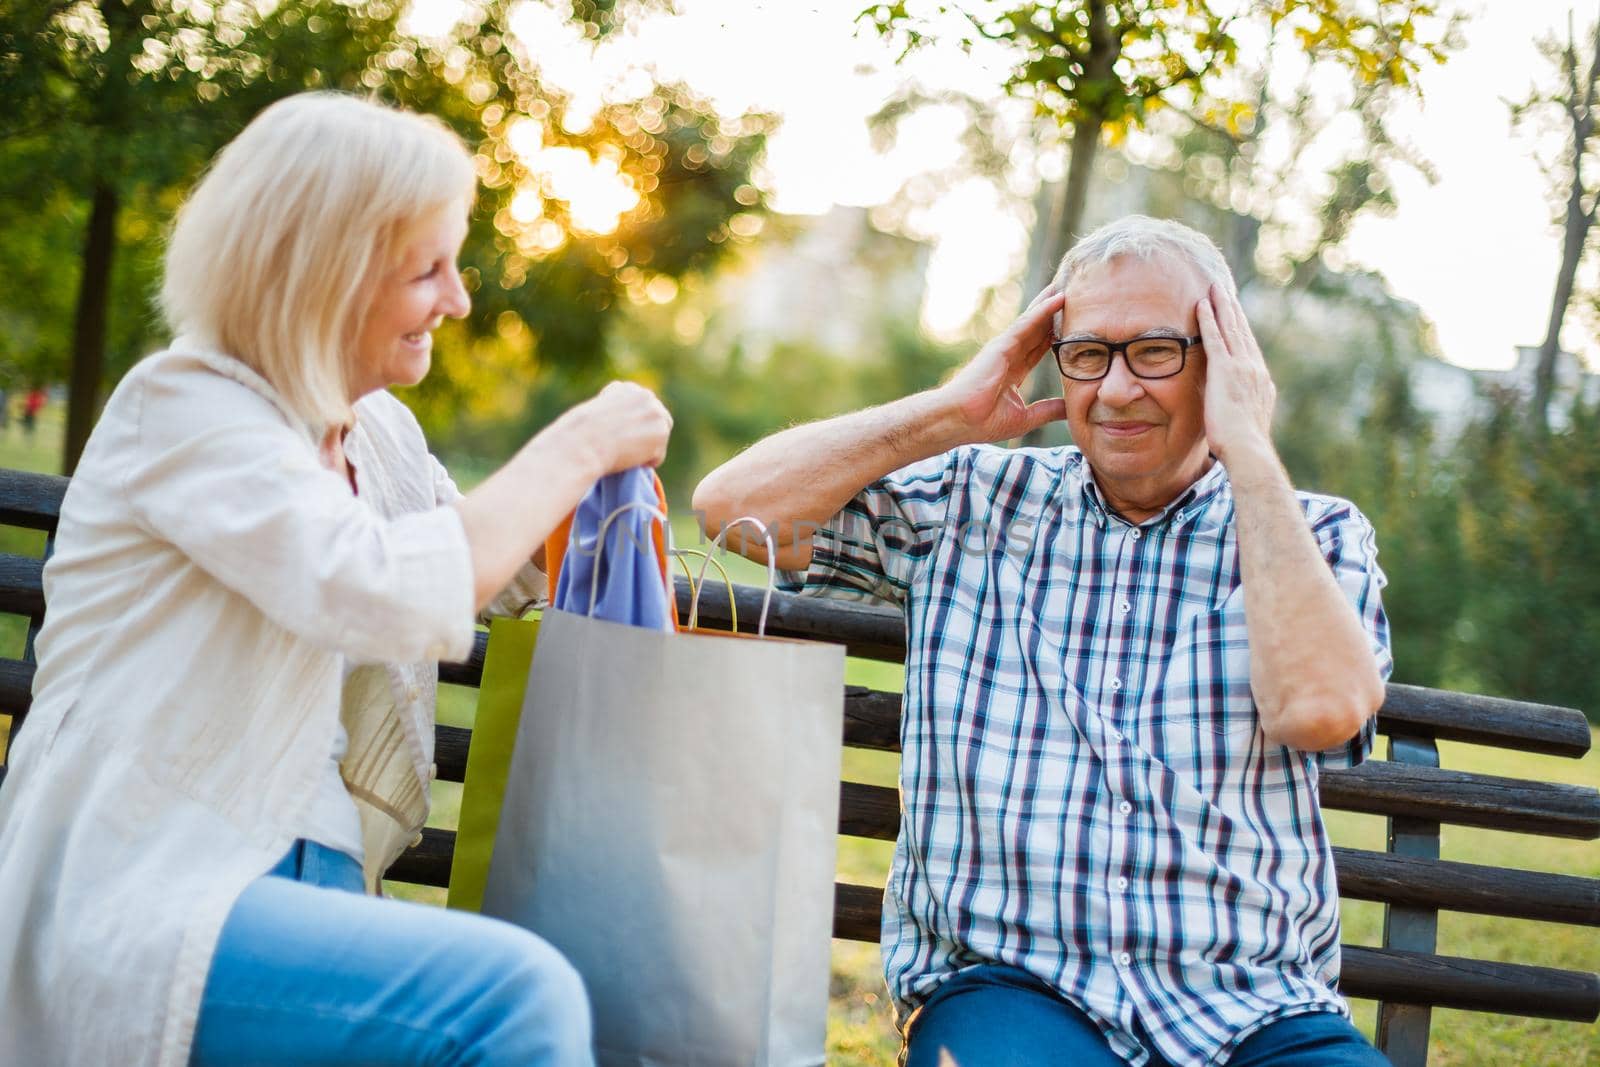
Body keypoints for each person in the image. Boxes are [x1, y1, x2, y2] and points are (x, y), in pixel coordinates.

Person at [0, 92, 671, 1067]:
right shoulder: (188, 407)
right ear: (328, 274)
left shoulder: (376, 436)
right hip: (150, 887)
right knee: (515, 999)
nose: (459, 299)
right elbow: (385, 587)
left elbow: (493, 562)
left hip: (314, 877)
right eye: (427, 268)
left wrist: (607, 511)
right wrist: (577, 442)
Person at [695, 215, 1392, 1066]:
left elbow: (1321, 709)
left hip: (1256, 1007)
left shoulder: (1312, 531)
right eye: (1089, 353)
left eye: (1156, 352)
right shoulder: (969, 500)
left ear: (1223, 359)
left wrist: (1246, 445)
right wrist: (952, 412)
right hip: (1015, 988)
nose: (1117, 389)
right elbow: (734, 510)